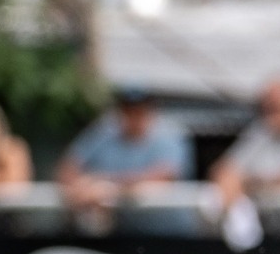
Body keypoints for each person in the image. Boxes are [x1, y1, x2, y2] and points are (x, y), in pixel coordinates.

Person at [56, 87, 194, 226]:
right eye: (128, 109)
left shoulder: (168, 133)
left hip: (169, 233)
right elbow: (67, 169)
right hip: (123, 233)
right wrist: (80, 187)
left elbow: (164, 176)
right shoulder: (104, 132)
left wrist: (106, 187)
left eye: (140, 109)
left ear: (151, 110)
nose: (134, 115)